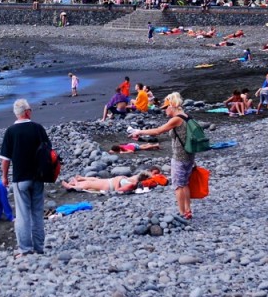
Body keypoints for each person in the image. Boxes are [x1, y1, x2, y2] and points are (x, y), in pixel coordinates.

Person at [128, 92, 197, 220]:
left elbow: (158, 131)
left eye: (166, 108)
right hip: (189, 154)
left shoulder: (176, 119)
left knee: (178, 185)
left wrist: (139, 131)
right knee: (185, 183)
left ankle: (182, 213)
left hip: (180, 156)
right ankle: (188, 210)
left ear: (172, 106)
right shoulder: (187, 116)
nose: (165, 111)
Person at [0, 99, 50, 256]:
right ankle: (39, 247)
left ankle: (25, 249)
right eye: (30, 109)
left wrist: (4, 177)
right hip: (38, 176)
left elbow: (5, 159)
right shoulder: (38, 128)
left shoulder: (11, 131)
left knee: (22, 215)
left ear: (17, 113)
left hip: (21, 177)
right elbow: (49, 151)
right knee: (37, 213)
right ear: (27, 111)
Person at [62, 171, 154, 194]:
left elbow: (118, 190)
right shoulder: (132, 180)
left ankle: (72, 186)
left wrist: (118, 180)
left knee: (90, 184)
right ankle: (80, 179)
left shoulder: (132, 184)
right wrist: (121, 178)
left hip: (109, 186)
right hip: (109, 181)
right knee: (95, 179)